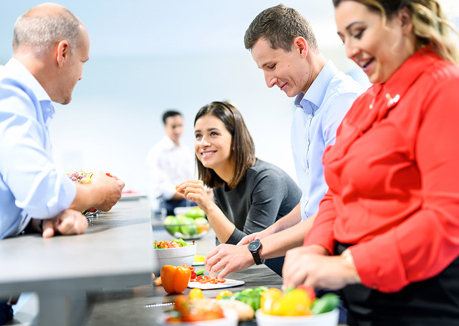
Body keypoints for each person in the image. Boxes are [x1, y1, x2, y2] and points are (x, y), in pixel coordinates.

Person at [282, 0, 459, 325]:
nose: (350, 50)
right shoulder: (366, 102)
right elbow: (336, 194)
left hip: (445, 301)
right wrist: (317, 247)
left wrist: (346, 266)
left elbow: (452, 216)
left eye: (358, 33)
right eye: (343, 38)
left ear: (404, 19)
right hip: (374, 299)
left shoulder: (448, 88)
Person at [0, 3, 124, 325]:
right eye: (82, 62)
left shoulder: (17, 99)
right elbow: (42, 190)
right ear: (63, 52)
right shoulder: (1, 90)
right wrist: (99, 193)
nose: (82, 74)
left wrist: (45, 219)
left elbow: (18, 196)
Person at [204, 4, 362, 277]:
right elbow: (314, 201)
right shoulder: (303, 111)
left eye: (271, 65)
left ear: (301, 47)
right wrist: (262, 236)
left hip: (345, 261)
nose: (268, 81)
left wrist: (255, 250)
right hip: (318, 254)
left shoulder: (343, 104)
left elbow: (339, 207)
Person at [177, 101, 301, 273]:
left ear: (235, 139)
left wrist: (209, 208)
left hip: (298, 278)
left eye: (213, 133)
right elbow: (224, 247)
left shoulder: (267, 179)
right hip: (266, 276)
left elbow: (248, 251)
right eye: (198, 135)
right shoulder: (220, 183)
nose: (203, 143)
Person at [147, 110, 196, 216]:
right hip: (168, 205)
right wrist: (187, 194)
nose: (177, 130)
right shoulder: (157, 152)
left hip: (188, 201)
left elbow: (192, 176)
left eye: (180, 126)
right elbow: (162, 186)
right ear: (166, 127)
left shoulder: (186, 150)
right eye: (173, 127)